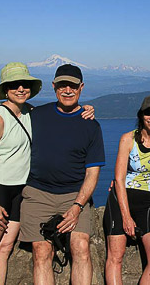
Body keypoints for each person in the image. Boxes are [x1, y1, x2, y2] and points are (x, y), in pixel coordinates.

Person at [0, 62, 94, 285]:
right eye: (14, 85)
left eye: (25, 84)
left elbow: (59, 115)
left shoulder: (31, 112)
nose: (21, 89)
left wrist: (87, 109)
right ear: (5, 89)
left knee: (4, 248)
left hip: (21, 189)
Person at [18, 64, 105, 284]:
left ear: (81, 87)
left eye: (73, 86)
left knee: (81, 247)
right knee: (41, 252)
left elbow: (92, 174)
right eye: (62, 85)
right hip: (38, 194)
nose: (67, 90)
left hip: (74, 196)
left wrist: (77, 207)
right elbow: (9, 122)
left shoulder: (91, 126)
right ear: (54, 87)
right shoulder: (36, 115)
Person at [104, 94, 150, 284]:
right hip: (122, 197)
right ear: (141, 115)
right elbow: (119, 179)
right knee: (115, 256)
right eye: (148, 113)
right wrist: (126, 217)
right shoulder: (127, 139)